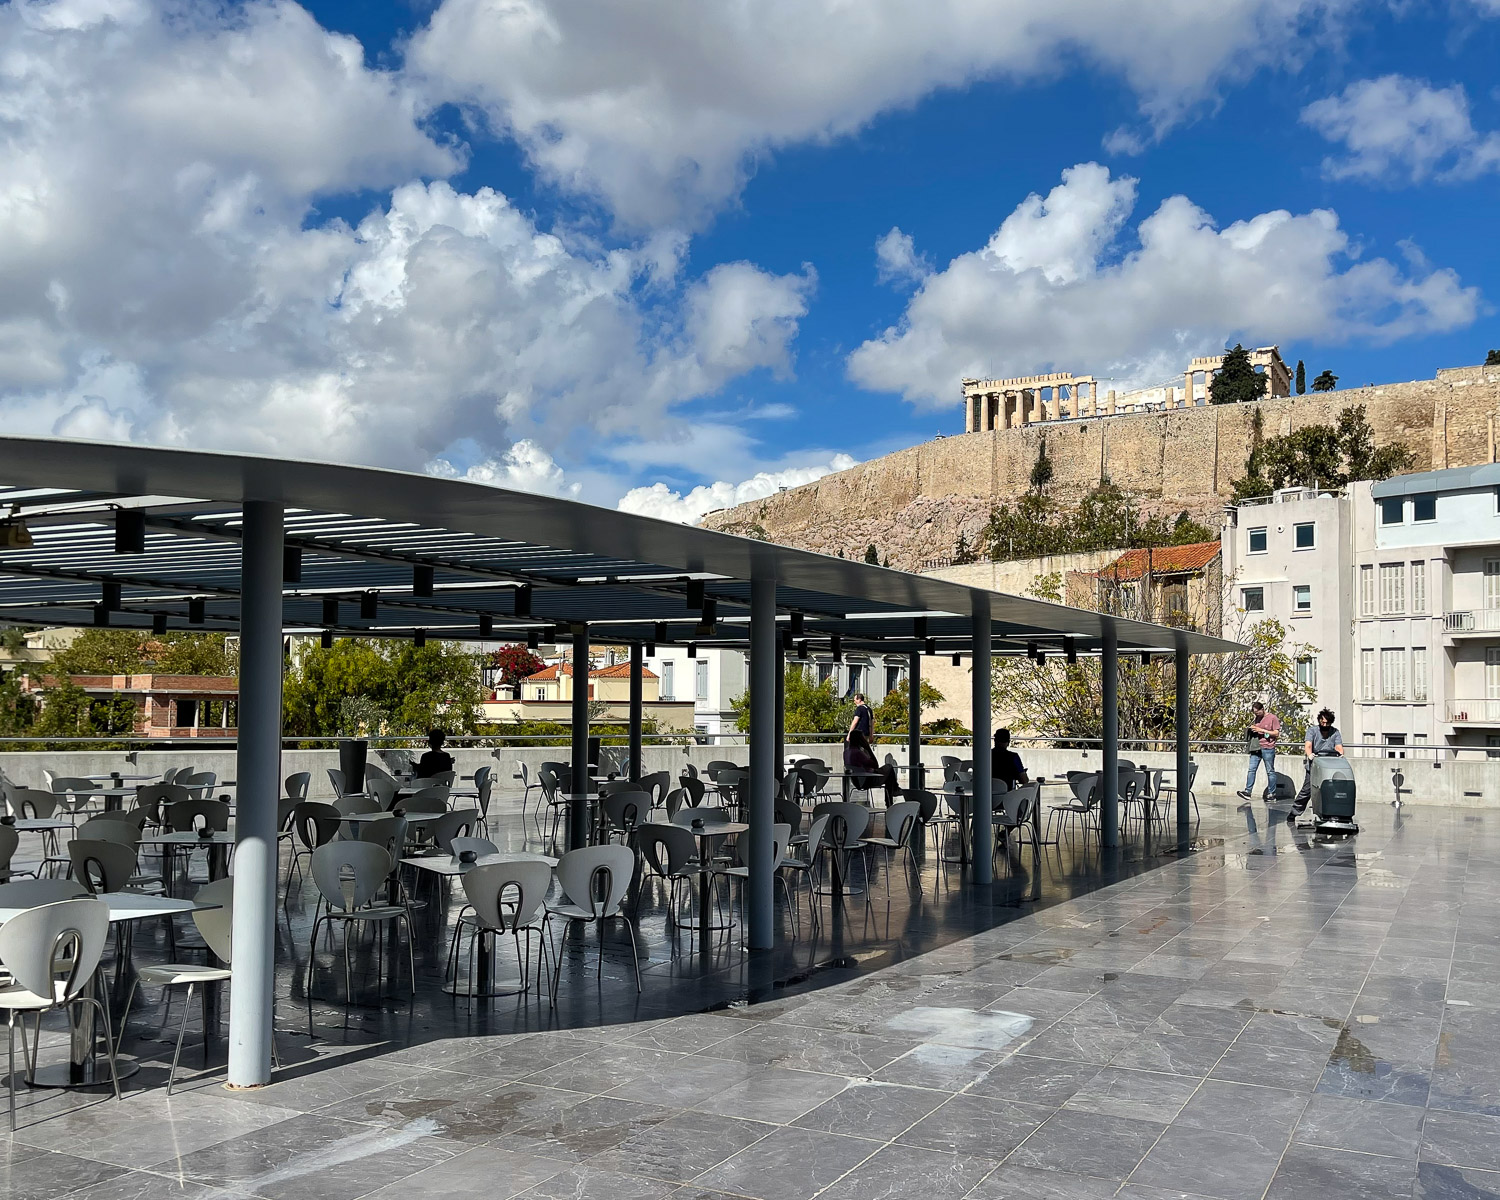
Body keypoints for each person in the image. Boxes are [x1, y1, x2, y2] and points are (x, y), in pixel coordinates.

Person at [1291, 708, 1344, 821]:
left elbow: (1338, 746)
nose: (1324, 725)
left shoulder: (1335, 732)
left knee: (1330, 790)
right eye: (1322, 722)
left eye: (1327, 723)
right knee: (1307, 790)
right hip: (1314, 765)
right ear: (1319, 721)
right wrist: (1310, 755)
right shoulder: (1312, 731)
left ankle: (1330, 813)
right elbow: (1308, 745)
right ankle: (1295, 812)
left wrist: (1340, 754)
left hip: (1329, 766)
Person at [1236, 701, 1281, 802]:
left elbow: (1276, 733)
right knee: (1251, 769)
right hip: (1256, 747)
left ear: (1262, 709)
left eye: (1257, 713)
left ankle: (1272, 793)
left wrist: (1262, 731)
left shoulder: (1272, 718)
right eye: (1255, 713)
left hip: (1268, 747)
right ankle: (1248, 791)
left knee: (1270, 771)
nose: (1256, 715)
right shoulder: (1257, 718)